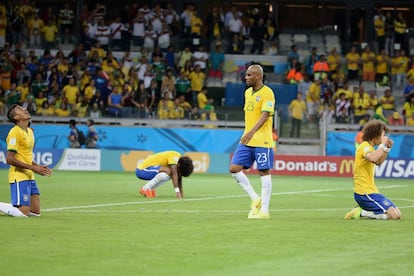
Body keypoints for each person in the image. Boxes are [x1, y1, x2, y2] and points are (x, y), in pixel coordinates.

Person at [229, 64, 275, 219]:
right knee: (234, 168)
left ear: (258, 76)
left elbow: (265, 115)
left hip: (262, 141)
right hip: (247, 140)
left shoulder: (267, 93)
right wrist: (248, 134)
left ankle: (265, 211)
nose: (246, 77)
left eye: (249, 75)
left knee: (264, 171)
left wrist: (251, 132)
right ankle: (256, 199)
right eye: (246, 75)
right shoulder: (248, 93)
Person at [0, 104, 52, 217]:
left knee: (35, 212)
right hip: (18, 176)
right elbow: (9, 159)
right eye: (20, 109)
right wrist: (33, 168)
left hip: (29, 175)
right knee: (23, 213)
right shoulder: (14, 132)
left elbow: (25, 156)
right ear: (16, 118)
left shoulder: (30, 131)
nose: (25, 109)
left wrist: (38, 167)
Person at [344, 120, 401, 220]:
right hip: (363, 193)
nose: (384, 138)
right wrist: (382, 145)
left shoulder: (371, 148)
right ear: (374, 135)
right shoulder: (364, 146)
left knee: (397, 214)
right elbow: (373, 158)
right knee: (394, 215)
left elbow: (378, 162)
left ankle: (364, 211)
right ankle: (361, 212)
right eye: (382, 135)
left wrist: (387, 149)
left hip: (372, 191)